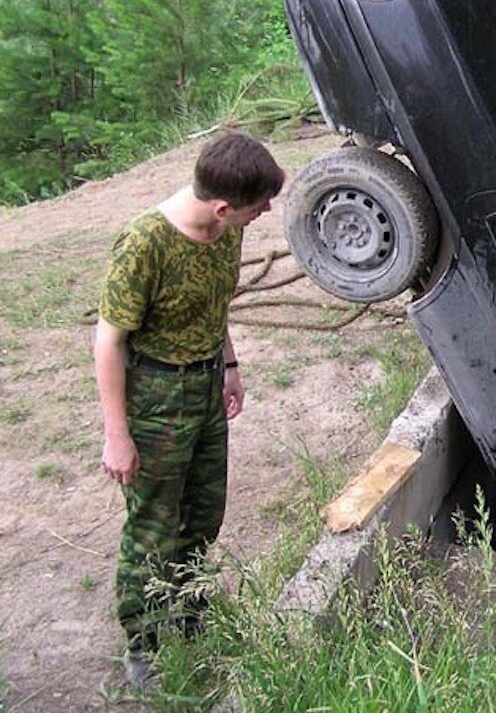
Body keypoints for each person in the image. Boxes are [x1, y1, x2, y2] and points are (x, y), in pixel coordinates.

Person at [94, 130, 285, 691]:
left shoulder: (225, 231)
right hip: (155, 398)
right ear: (222, 206)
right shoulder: (144, 244)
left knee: (202, 516)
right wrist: (117, 434)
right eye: (260, 205)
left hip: (204, 388)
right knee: (153, 527)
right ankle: (147, 647)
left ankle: (188, 614)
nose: (267, 211)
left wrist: (229, 366)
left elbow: (214, 302)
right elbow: (107, 342)